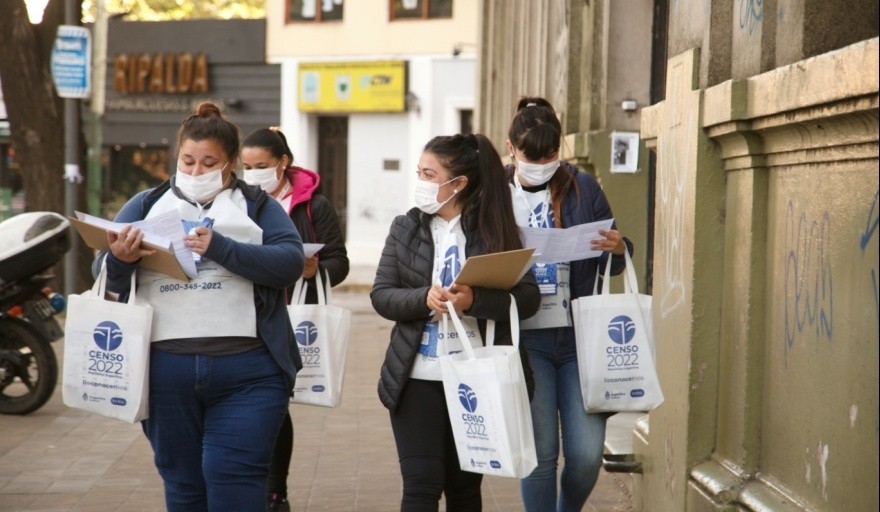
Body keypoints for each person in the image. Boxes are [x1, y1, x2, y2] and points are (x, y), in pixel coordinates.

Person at [95, 102, 305, 512]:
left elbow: (289, 263)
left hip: (250, 373)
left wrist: (221, 248)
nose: (195, 172)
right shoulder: (146, 204)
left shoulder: (258, 206)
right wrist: (120, 258)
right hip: (166, 373)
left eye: (208, 163)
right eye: (187, 161)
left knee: (235, 479)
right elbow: (105, 275)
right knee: (184, 481)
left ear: (230, 163)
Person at [371, 133, 541, 511]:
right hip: (416, 376)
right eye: (419, 173)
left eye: (429, 175)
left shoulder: (496, 230)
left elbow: (528, 299)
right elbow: (382, 295)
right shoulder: (405, 227)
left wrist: (474, 301)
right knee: (421, 484)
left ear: (458, 183)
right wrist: (423, 298)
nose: (420, 182)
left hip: (476, 376)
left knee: (463, 489)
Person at [504, 96, 633, 512]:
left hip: (580, 339)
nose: (542, 163)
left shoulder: (583, 187)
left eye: (550, 155)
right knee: (541, 456)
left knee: (586, 455)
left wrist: (618, 247)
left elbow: (616, 258)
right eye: (532, 156)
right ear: (511, 149)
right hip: (527, 340)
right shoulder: (496, 194)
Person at [241, 127, 350, 512]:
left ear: (283, 163)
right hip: (244, 316)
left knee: (274, 402)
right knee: (254, 403)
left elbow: (339, 262)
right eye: (246, 167)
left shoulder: (312, 206)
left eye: (261, 166)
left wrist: (316, 271)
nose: (253, 174)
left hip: (290, 318)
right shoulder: (237, 202)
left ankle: (274, 492)